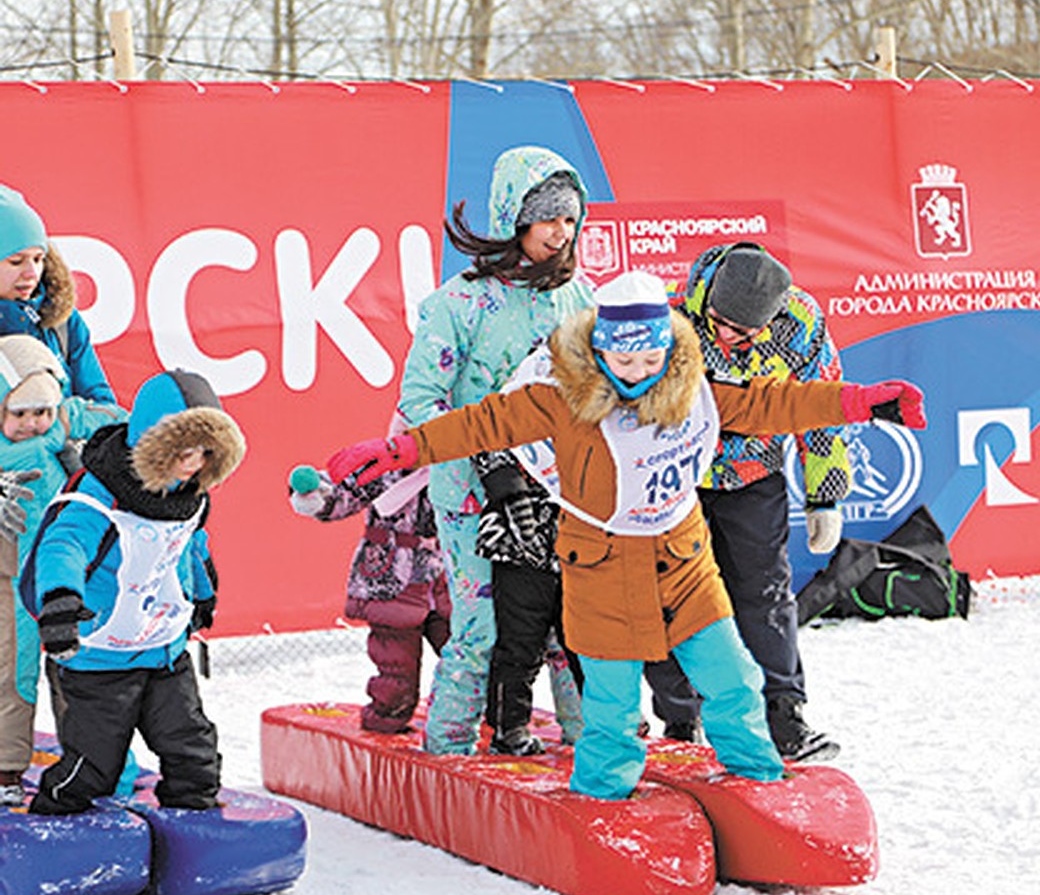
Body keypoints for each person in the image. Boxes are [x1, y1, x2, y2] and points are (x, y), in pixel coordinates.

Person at [327, 270, 926, 801]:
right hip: (601, 568)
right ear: (600, 352)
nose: (638, 375)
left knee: (734, 678)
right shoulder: (561, 400)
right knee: (611, 708)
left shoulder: (693, 389)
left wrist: (862, 403)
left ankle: (757, 781)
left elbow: (775, 404)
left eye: (649, 362)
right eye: (624, 362)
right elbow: (482, 423)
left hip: (684, 561)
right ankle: (603, 797)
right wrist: (396, 451)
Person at [396, 146, 593, 755]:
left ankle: (592, 741)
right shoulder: (459, 304)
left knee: (570, 622)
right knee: (482, 626)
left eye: (569, 218)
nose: (560, 233)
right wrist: (485, 454)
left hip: (558, 484)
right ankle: (449, 749)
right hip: (473, 489)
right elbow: (419, 402)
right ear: (515, 218)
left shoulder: (579, 296)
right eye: (547, 218)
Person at [643, 243, 849, 760]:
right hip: (676, 474)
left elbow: (820, 405)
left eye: (744, 331)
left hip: (753, 471)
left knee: (763, 591)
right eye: (720, 323)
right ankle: (681, 717)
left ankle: (783, 715)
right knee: (671, 593)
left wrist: (824, 493)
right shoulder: (670, 315)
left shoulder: (800, 323)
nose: (728, 337)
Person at [24, 368, 245, 816]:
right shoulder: (100, 493)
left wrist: (202, 593)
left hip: (164, 649)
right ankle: (55, 815)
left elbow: (188, 545)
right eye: (182, 452)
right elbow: (64, 544)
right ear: (153, 445)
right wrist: (61, 603)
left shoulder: (190, 494)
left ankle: (195, 828)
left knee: (193, 750)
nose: (193, 463)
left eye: (204, 453)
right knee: (95, 763)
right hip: (101, 653)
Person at [0, 335, 125, 806]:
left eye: (42, 412)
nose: (33, 424)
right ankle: (7, 765)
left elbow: (117, 419)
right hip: (9, 579)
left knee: (78, 667)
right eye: (19, 413)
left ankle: (97, 764)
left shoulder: (62, 425)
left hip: (61, 575)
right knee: (12, 672)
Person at [287, 410, 452, 735]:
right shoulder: (384, 467)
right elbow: (344, 493)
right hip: (393, 577)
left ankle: (460, 721)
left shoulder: (456, 469)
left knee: (464, 652)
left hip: (445, 578)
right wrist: (316, 495)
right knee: (396, 665)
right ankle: (387, 720)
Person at [474, 444, 585, 755]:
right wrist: (514, 500)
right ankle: (509, 727)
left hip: (580, 539)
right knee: (520, 642)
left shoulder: (594, 403)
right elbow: (490, 453)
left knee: (587, 640)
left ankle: (603, 724)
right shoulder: (508, 404)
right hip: (518, 544)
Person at [0, 184, 117, 402]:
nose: (31, 273)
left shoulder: (60, 319)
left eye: (38, 259)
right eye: (16, 262)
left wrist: (61, 422)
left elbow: (104, 407)